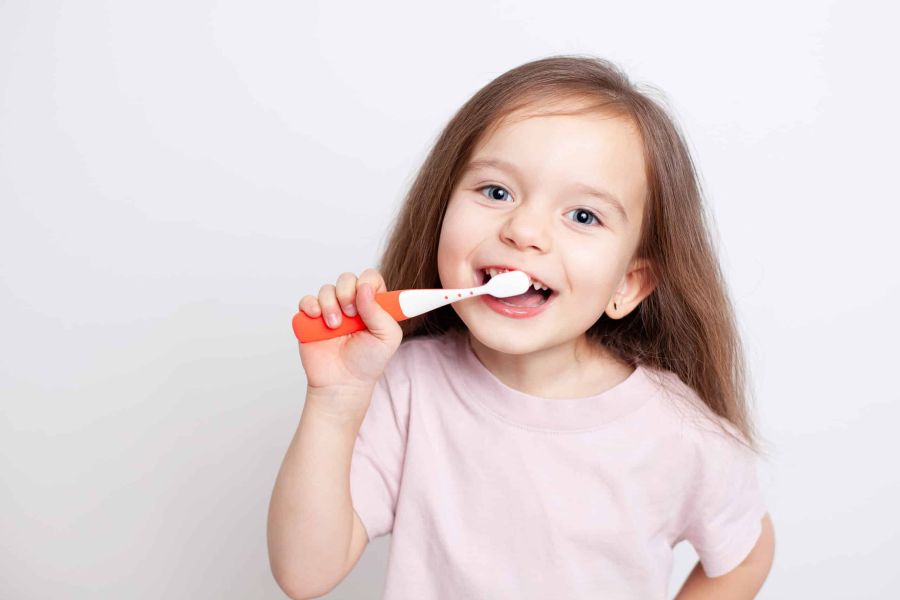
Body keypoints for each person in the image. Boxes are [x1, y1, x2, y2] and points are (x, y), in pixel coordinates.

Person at [268, 55, 776, 599]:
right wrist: (335, 401)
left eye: (583, 215)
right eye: (496, 192)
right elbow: (305, 574)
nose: (524, 230)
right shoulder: (407, 387)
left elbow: (745, 552)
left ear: (628, 284)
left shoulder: (676, 433)